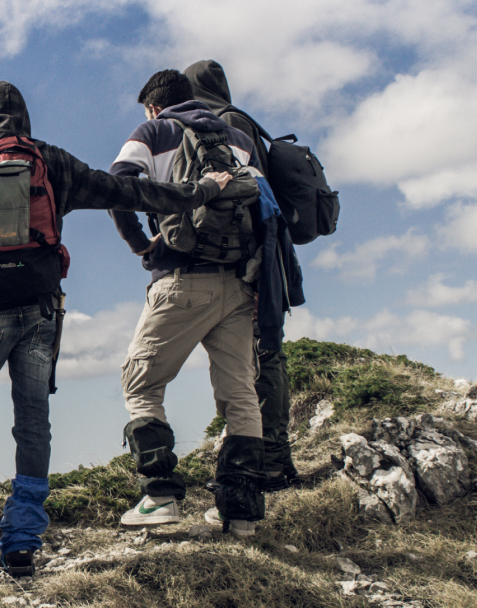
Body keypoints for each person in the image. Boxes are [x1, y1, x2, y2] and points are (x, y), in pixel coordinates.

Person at [0, 81, 231, 578]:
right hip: (40, 315)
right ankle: (20, 546)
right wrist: (203, 191)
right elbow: (128, 189)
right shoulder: (50, 160)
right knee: (33, 424)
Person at [106, 69, 268, 535]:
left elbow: (119, 185)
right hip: (239, 283)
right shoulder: (237, 138)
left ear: (154, 106)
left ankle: (160, 497)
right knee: (239, 393)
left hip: (182, 278)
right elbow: (261, 204)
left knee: (141, 383)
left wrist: (142, 244)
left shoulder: (154, 131)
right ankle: (240, 514)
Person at [184, 59, 307, 494]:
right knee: (259, 353)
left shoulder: (224, 125)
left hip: (253, 261)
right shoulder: (243, 121)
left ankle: (270, 463)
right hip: (267, 254)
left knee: (262, 354)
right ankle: (269, 458)